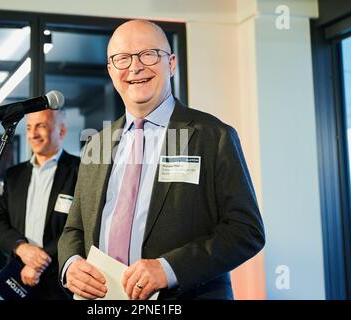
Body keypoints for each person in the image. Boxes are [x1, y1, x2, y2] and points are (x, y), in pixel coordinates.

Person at [57, 19, 265, 300]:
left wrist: (169, 269)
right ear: (110, 70)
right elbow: (74, 228)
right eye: (122, 58)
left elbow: (245, 231)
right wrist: (71, 265)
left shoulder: (213, 136)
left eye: (148, 54)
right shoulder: (97, 143)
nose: (135, 67)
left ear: (171, 63)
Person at [0, 107, 79, 299]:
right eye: (29, 127)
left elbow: (82, 226)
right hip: (18, 276)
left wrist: (38, 261)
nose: (33, 134)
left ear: (61, 131)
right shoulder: (14, 175)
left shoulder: (80, 171)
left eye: (41, 126)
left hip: (61, 279)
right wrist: (21, 248)